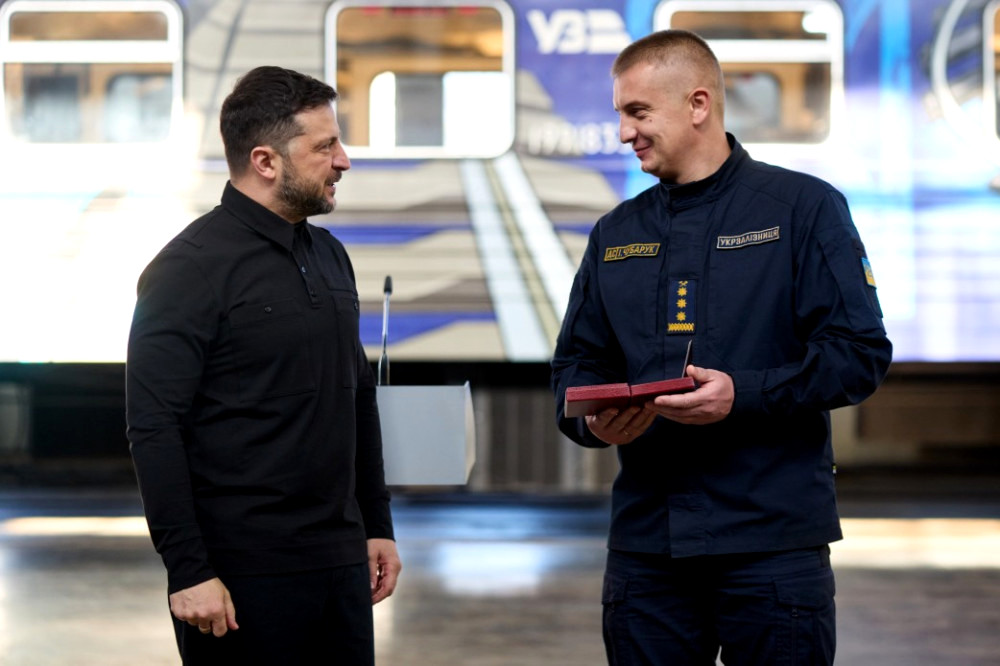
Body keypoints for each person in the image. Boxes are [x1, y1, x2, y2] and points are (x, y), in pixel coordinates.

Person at [551, 30, 891, 665]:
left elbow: (859, 353)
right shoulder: (615, 233)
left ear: (698, 104)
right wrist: (592, 422)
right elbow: (575, 364)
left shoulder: (803, 209)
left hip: (772, 549)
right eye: (620, 114)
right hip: (647, 552)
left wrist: (744, 395)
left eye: (638, 112)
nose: (624, 133)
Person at [126, 66, 401, 665]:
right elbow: (154, 428)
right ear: (266, 161)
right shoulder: (187, 269)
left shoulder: (330, 256)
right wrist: (188, 570)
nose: (343, 161)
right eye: (325, 146)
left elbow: (357, 397)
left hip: (339, 562)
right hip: (240, 576)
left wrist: (377, 524)